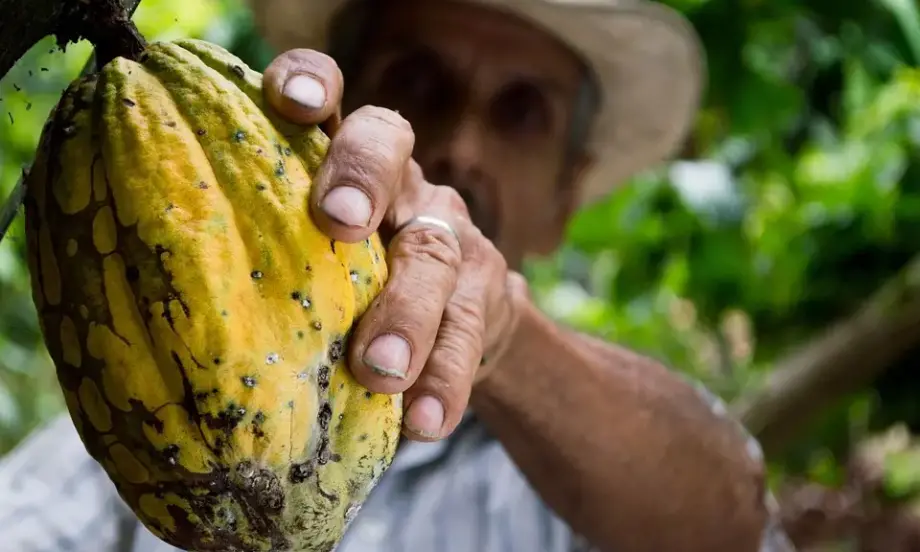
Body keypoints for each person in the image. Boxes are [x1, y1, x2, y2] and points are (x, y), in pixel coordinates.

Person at [0, 0, 797, 551]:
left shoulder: (590, 472)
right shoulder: (142, 395)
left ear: (567, 194)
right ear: (323, 103)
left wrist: (504, 338)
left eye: (522, 111)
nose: (461, 147)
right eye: (419, 83)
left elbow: (728, 525)